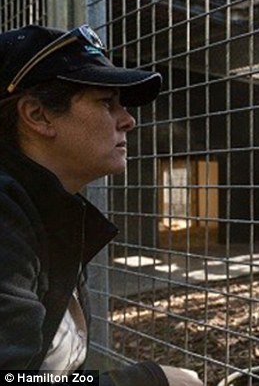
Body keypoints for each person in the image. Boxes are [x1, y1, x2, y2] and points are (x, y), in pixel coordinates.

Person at [0, 25, 203, 385]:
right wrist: (146, 381)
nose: (128, 120)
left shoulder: (49, 210)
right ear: (37, 115)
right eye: (106, 103)